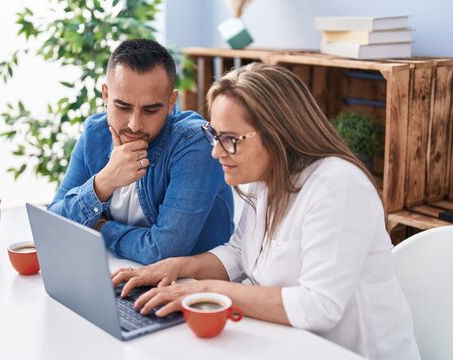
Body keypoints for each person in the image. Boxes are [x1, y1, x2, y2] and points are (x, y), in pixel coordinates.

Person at [112, 63, 420, 359]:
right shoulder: (264, 180)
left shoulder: (338, 185)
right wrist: (177, 267)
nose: (216, 152)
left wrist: (205, 290)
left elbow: (318, 307)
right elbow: (238, 254)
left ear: (278, 134)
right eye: (215, 135)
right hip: (288, 345)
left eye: (230, 140)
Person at [48, 39, 234, 265]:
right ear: (106, 95)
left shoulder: (195, 144)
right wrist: (104, 182)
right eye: (123, 107)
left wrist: (99, 227)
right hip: (115, 272)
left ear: (170, 102)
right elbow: (53, 222)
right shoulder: (95, 134)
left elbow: (162, 251)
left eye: (150, 109)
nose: (135, 125)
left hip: (191, 289)